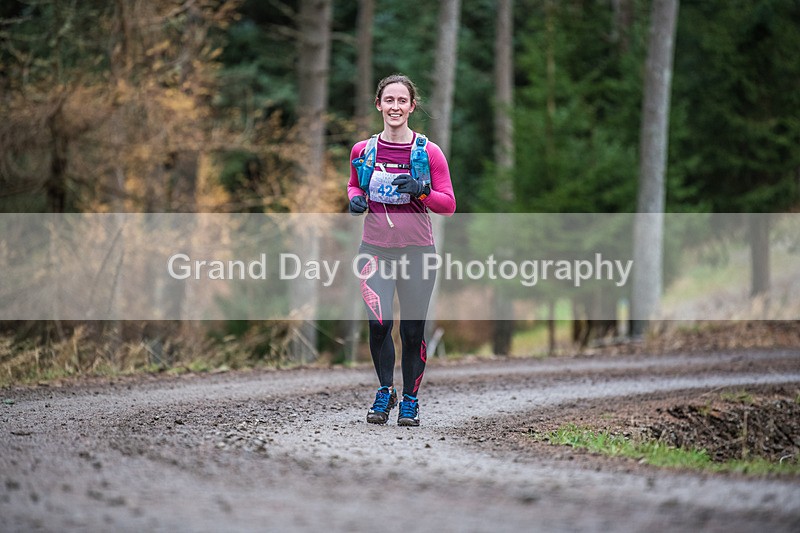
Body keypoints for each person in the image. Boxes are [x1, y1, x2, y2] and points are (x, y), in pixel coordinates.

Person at [348, 74, 456, 426]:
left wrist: (421, 190)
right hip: (374, 250)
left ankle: (410, 399)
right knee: (379, 325)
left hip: (417, 253)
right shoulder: (363, 151)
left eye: (402, 101)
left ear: (412, 107)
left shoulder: (428, 152)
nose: (395, 107)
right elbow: (353, 184)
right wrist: (355, 200)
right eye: (388, 100)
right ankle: (384, 391)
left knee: (412, 331)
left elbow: (449, 204)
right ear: (378, 104)